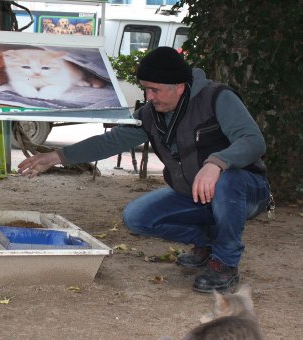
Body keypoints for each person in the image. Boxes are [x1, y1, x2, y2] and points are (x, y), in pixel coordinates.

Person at [17, 47, 272, 293]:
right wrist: (57, 156)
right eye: (145, 89)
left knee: (227, 182)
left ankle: (225, 263)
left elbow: (253, 141)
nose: (149, 97)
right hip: (193, 194)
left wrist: (216, 163)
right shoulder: (151, 113)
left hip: (244, 191)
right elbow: (111, 141)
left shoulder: (217, 98)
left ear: (180, 87)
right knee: (137, 217)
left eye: (155, 90)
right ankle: (207, 244)